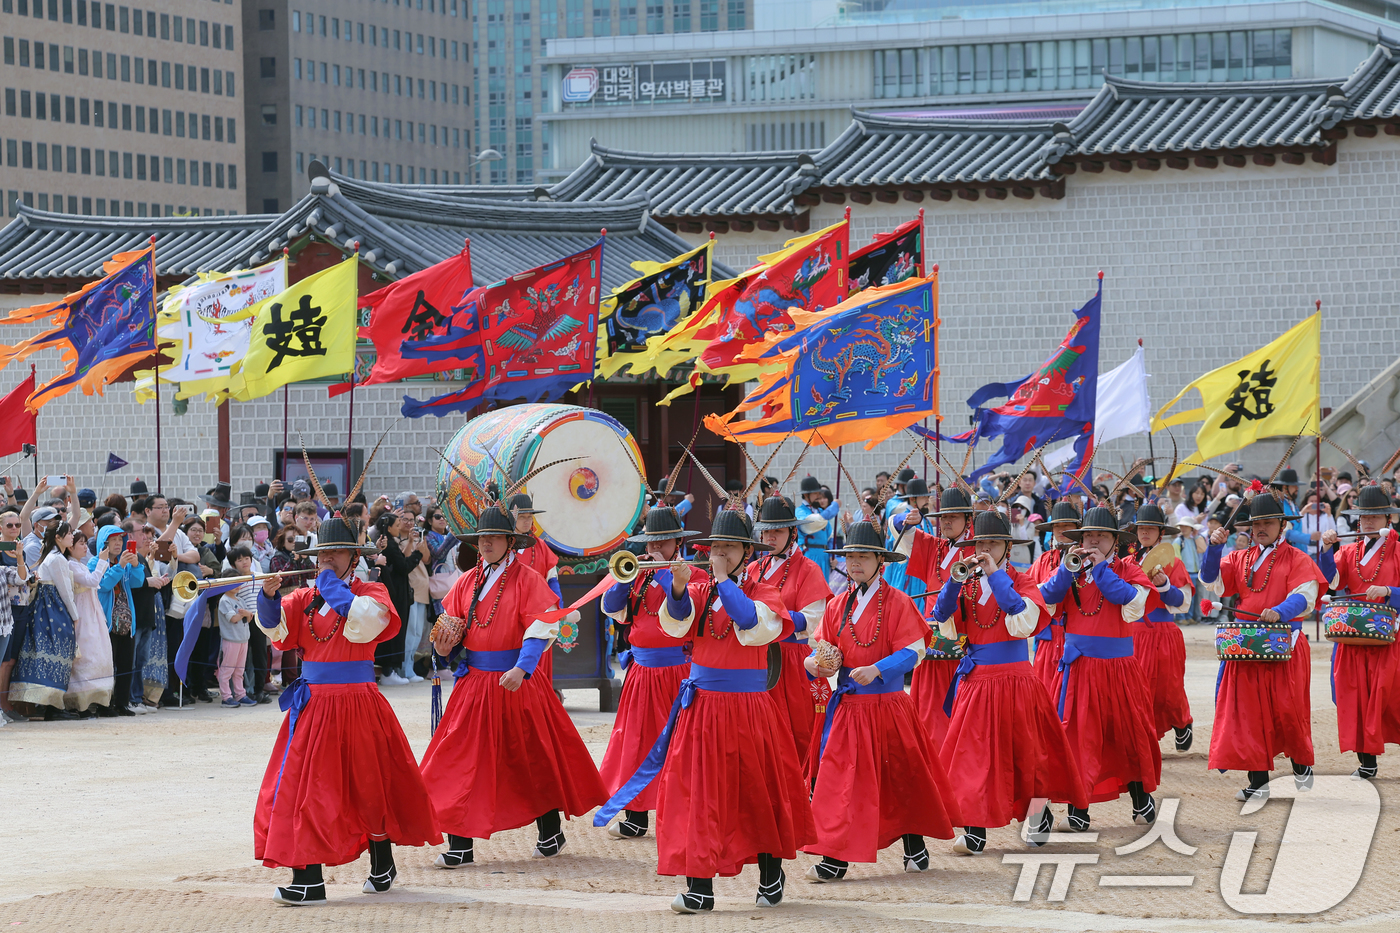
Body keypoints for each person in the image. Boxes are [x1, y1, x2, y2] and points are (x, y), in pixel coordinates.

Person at [594, 508, 812, 913]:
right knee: (695, 794)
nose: (719, 555)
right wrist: (676, 588)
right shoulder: (700, 589)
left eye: (728, 548)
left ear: (747, 552)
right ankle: (699, 887)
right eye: (715, 548)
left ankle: (770, 871)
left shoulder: (763, 591)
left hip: (748, 710)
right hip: (701, 708)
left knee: (755, 793)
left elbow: (752, 623)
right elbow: (676, 623)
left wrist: (724, 581)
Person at [254, 513, 439, 905]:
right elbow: (278, 632)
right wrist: (268, 597)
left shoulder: (372, 592)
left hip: (356, 703)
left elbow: (365, 622)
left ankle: (382, 859)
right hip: (313, 707)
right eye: (323, 553)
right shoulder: (304, 598)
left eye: (337, 552)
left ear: (354, 557)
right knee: (304, 790)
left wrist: (331, 587)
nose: (327, 559)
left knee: (369, 789)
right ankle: (308, 878)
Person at [421, 506, 605, 868]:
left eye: (493, 537)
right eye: (481, 538)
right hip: (474, 684)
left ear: (509, 542)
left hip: (514, 683)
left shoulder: (527, 579)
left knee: (529, 759)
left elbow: (539, 628)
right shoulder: (467, 580)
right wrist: (443, 652)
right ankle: (460, 843)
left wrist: (523, 668)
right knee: (459, 759)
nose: (485, 543)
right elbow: (453, 629)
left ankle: (550, 830)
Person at [802, 518, 954, 880]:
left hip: (888, 705)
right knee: (841, 782)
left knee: (901, 776)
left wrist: (878, 669)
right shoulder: (838, 604)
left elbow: (915, 650)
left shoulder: (898, 602)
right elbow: (823, 650)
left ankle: (914, 843)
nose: (855, 563)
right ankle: (834, 856)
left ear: (879, 561)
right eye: (851, 557)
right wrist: (814, 664)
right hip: (849, 707)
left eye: (863, 557)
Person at [932, 511, 1088, 855]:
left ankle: (1037, 816)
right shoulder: (966, 582)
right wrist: (954, 582)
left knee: (1028, 756)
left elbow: (1022, 618)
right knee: (972, 757)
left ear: (1006, 546)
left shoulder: (1021, 580)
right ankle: (975, 831)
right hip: (976, 681)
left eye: (992, 543)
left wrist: (993, 574)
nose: (984, 549)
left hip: (1016, 679)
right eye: (979, 543)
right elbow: (942, 616)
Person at [1038, 506, 1161, 831]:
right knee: (1077, 738)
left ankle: (1140, 797)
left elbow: (1130, 603)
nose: (1092, 541)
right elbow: (1045, 598)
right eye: (1088, 536)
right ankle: (1079, 810)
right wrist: (1067, 570)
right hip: (1079, 668)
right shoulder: (1073, 570)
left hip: (1118, 669)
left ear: (1114, 542)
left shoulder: (1129, 570)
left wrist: (1102, 567)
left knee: (1128, 736)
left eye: (1101, 536)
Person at [1200, 493, 1326, 801]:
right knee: (1248, 715)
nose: (1260, 528)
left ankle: (1301, 764)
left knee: (1288, 711)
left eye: (1268, 522)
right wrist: (1214, 549)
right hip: (1247, 644)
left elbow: (1305, 593)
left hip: (1285, 644)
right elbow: (1210, 580)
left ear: (1282, 525)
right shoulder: (1239, 557)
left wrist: (1281, 610)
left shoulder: (1297, 558)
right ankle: (1258, 782)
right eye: (1256, 523)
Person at [597, 504, 706, 840]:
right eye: (650, 544)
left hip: (676, 671)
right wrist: (623, 578)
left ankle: (681, 812)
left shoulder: (694, 575)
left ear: (677, 542)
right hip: (642, 673)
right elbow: (615, 611)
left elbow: (683, 610)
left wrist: (664, 573)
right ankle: (635, 815)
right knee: (635, 743)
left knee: (678, 743)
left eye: (662, 543)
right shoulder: (638, 575)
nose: (655, 550)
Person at [1319, 485, 1400, 779]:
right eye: (1364, 515)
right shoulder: (1348, 551)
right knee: (1353, 697)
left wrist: (1391, 591)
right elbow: (1331, 583)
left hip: (1388, 638)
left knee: (1390, 697)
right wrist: (1327, 551)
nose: (1368, 521)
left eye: (1376, 516)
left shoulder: (1398, 550)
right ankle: (1367, 762)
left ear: (1388, 520)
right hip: (1352, 637)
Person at [747, 495, 832, 768]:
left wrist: (768, 619)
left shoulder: (808, 569)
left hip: (791, 661)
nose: (770, 537)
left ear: (793, 532)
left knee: (796, 732)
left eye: (778, 531)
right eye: (766, 530)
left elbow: (813, 620)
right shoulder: (752, 569)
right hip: (754, 662)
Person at [897, 485, 976, 750]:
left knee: (962, 714)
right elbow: (898, 528)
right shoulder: (934, 546)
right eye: (943, 517)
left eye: (954, 516)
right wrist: (910, 519)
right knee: (929, 712)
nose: (947, 522)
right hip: (934, 643)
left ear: (969, 519)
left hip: (967, 642)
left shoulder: (979, 549)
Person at [1123, 504, 1194, 751]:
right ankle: (1145, 741)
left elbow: (1183, 602)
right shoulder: (1126, 563)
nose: (1145, 533)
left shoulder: (1173, 563)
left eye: (1150, 528)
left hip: (1162, 634)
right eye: (1141, 528)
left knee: (1168, 689)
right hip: (1131, 635)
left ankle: (1182, 722)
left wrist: (1164, 586)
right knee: (1138, 691)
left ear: (1160, 532)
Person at [10, 521, 79, 721]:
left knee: (51, 652)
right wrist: (74, 615)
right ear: (58, 537)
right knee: (55, 651)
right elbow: (65, 590)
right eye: (69, 534)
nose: (72, 537)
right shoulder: (57, 559)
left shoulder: (55, 557)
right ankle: (52, 706)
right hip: (53, 609)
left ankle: (53, 704)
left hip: (49, 608)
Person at [507, 494, 561, 684]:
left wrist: (558, 610)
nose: (527, 521)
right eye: (522, 517)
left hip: (538, 613)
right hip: (509, 612)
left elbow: (552, 580)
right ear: (512, 517)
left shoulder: (541, 546)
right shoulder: (503, 544)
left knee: (537, 657)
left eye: (530, 517)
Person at [1028, 500, 1081, 696]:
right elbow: (1031, 596)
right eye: (1057, 526)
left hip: (1076, 640)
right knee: (1045, 697)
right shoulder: (1043, 560)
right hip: (1048, 642)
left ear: (1078, 528)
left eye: (1066, 525)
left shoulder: (1089, 559)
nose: (1061, 530)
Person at [92, 524, 143, 717]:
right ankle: (104, 705)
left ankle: (122, 703)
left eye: (120, 540)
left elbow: (137, 583)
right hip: (106, 624)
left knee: (125, 665)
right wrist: (119, 567)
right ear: (103, 543)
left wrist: (136, 565)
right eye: (113, 540)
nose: (118, 543)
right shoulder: (96, 562)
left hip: (126, 623)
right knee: (106, 666)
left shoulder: (126, 562)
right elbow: (103, 585)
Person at [64, 527, 113, 717]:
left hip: (93, 613)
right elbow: (92, 581)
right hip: (81, 615)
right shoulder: (70, 565)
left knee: (100, 655)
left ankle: (101, 701)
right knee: (85, 657)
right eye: (81, 543)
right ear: (70, 547)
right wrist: (101, 561)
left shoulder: (80, 564)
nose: (85, 547)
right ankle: (80, 704)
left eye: (86, 543)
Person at [217, 548, 259, 707]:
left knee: (239, 671)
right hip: (231, 640)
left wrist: (246, 614)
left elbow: (247, 618)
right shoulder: (224, 600)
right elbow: (234, 618)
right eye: (233, 583)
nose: (237, 586)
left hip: (243, 639)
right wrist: (244, 614)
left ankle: (241, 695)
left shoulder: (239, 600)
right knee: (227, 670)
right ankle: (226, 696)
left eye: (238, 582)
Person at [0, 507, 31, 723]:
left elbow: (21, 576)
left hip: (17, 609)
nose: (14, 529)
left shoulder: (20, 548)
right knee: (3, 661)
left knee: (9, 660)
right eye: (9, 525)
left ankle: (4, 704)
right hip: (6, 606)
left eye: (17, 525)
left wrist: (20, 558)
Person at [884, 478, 935, 596]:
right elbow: (897, 522)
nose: (928, 500)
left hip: (924, 572)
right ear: (913, 499)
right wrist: (908, 519)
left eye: (927, 497)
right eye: (924, 497)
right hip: (907, 573)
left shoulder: (925, 520)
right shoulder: (906, 516)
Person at [795, 476, 841, 579]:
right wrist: (834, 507)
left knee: (824, 591)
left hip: (824, 557)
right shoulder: (800, 511)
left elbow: (830, 536)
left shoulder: (820, 511)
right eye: (815, 493)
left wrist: (832, 556)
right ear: (807, 495)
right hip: (809, 555)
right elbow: (813, 523)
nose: (818, 496)